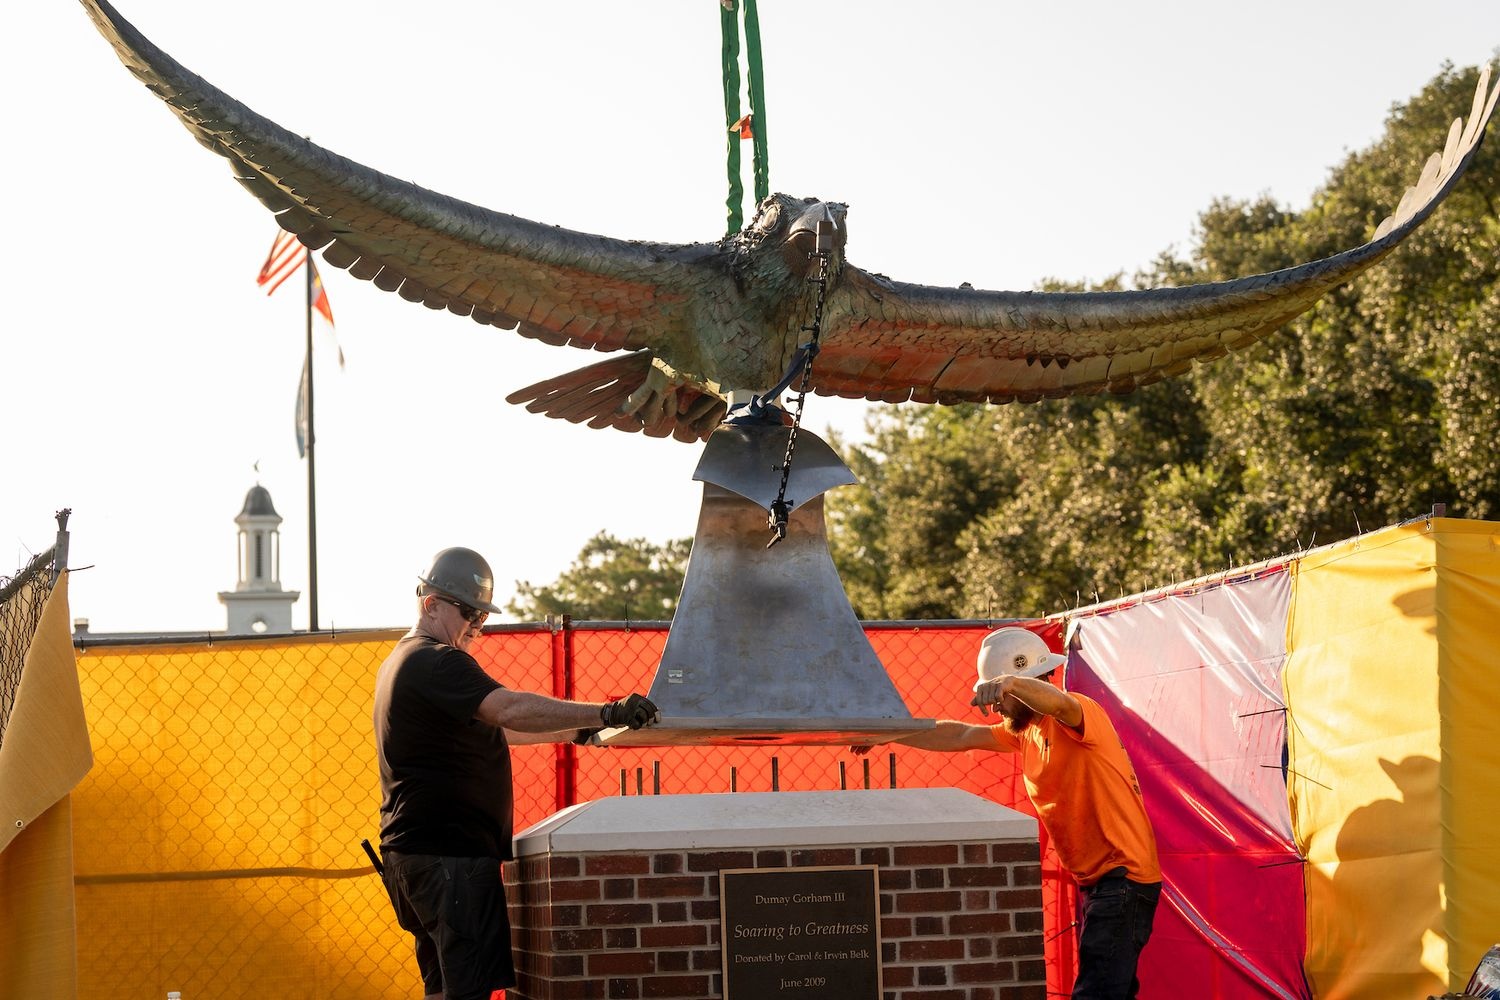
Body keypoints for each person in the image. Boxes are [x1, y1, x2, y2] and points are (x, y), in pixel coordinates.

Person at [373, 546, 659, 1000]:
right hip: (450, 859)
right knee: (467, 992)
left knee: (442, 988)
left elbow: (498, 728)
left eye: (482, 616)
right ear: (431, 604)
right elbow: (507, 708)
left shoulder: (402, 662)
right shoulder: (438, 661)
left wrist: (577, 730)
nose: (477, 625)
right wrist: (606, 711)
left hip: (418, 856)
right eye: (469, 612)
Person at [872, 626, 1160, 1000]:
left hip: (1122, 878)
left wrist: (1010, 683)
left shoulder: (1078, 713)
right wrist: (892, 733)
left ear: (1027, 682)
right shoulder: (1025, 733)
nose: (995, 707)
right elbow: (960, 736)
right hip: (1101, 883)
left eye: (1000, 697)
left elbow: (1059, 703)